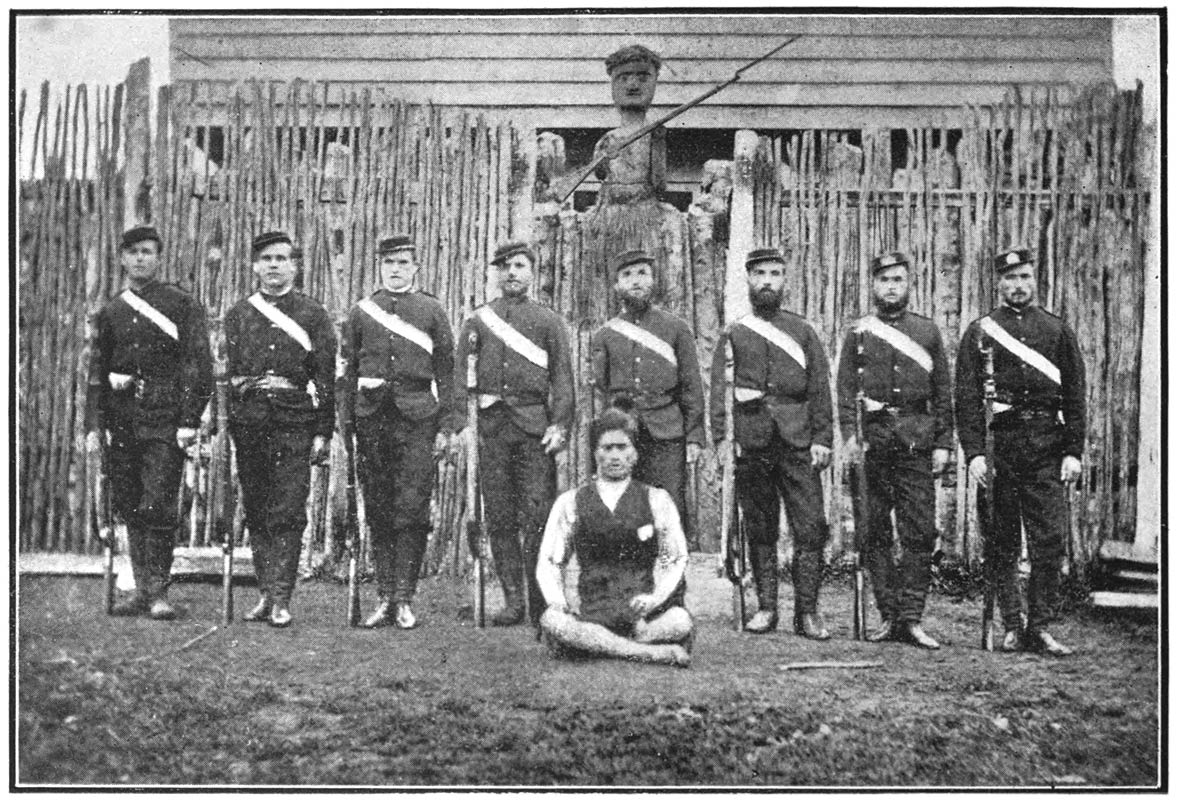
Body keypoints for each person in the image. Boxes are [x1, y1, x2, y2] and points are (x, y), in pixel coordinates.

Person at [955, 248, 1086, 657]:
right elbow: (965, 398)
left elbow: (1076, 396)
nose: (1018, 285)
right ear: (999, 282)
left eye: (1024, 277)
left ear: (1035, 279)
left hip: (1047, 448)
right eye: (1010, 278)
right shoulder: (980, 332)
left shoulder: (1057, 331)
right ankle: (1012, 624)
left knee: (1049, 540)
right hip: (1001, 450)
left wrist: (1073, 451)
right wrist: (975, 453)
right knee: (1001, 542)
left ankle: (1040, 626)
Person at [85, 225, 214, 619]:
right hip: (122, 421)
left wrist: (189, 420)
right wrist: (93, 425)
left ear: (158, 258)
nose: (141, 258)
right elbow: (96, 370)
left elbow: (199, 365)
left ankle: (159, 592)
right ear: (122, 258)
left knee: (158, 502)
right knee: (129, 504)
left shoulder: (180, 304)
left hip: (165, 418)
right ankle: (141, 591)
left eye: (148, 252)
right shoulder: (112, 311)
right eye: (133, 252)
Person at [710, 247, 834, 637]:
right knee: (760, 526)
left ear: (785, 280)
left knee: (810, 527)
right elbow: (719, 391)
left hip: (797, 441)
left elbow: (820, 389)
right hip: (753, 440)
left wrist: (822, 438)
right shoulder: (735, 333)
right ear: (748, 279)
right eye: (759, 273)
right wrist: (721, 440)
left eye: (775, 273)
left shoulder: (803, 332)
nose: (767, 281)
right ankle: (766, 608)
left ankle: (807, 613)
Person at [836, 251, 952, 650]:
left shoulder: (927, 332)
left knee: (919, 532)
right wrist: (850, 436)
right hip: (874, 444)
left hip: (916, 441)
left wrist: (942, 444)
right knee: (873, 531)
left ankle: (912, 618)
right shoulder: (858, 333)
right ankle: (887, 615)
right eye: (884, 280)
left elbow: (943, 394)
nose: (891, 287)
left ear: (908, 284)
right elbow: (845, 390)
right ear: (874, 285)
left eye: (898, 280)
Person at [455, 240, 574, 628]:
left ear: (531, 271)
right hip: (491, 430)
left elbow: (563, 379)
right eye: (504, 266)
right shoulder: (477, 321)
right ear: (495, 273)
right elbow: (461, 381)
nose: (512, 273)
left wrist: (560, 425)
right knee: (500, 517)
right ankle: (513, 601)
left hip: (533, 431)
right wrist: (461, 427)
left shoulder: (548, 321)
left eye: (519, 265)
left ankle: (541, 601)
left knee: (539, 516)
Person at [340, 235, 456, 629]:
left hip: (418, 420)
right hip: (373, 419)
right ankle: (385, 596)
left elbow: (447, 373)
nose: (395, 269)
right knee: (379, 508)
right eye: (389, 262)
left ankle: (405, 599)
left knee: (412, 508)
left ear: (415, 267)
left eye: (403, 263)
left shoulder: (431, 311)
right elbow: (348, 374)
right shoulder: (361, 313)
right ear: (380, 266)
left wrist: (448, 427)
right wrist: (347, 424)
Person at [225, 230, 337, 628]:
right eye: (267, 258)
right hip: (251, 422)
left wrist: (323, 431)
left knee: (288, 508)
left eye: (282, 258)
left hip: (294, 422)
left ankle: (282, 598)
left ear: (295, 265)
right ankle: (265, 591)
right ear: (255, 265)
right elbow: (232, 374)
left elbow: (325, 378)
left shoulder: (312, 314)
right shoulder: (239, 314)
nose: (274, 265)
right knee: (256, 507)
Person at [537, 407, 692, 668]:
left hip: (639, 612)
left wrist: (655, 599)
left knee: (680, 620)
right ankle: (647, 653)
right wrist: (559, 602)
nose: (614, 456)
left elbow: (675, 557)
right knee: (552, 619)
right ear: (595, 452)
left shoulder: (656, 499)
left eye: (622, 447)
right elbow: (551, 560)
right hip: (593, 610)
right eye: (606, 448)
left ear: (635, 453)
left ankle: (601, 646)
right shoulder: (571, 501)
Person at [591, 249, 705, 523]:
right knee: (625, 506)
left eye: (642, 273)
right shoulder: (605, 335)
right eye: (627, 275)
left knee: (669, 506)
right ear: (617, 285)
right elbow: (601, 389)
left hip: (667, 430)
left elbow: (691, 385)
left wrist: (694, 437)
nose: (636, 280)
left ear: (654, 280)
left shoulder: (676, 329)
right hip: (623, 433)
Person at [591, 44, 666, 205]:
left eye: (643, 78)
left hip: (643, 209)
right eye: (623, 78)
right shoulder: (607, 139)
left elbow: (659, 183)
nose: (633, 85)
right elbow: (600, 174)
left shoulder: (654, 135)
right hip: (610, 210)